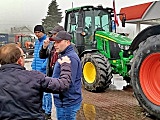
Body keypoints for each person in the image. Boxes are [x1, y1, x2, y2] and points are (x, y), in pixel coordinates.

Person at [0, 43, 71, 120]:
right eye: (23, 56)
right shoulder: (34, 77)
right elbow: (63, 85)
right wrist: (65, 65)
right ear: (20, 60)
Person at [50, 31, 82, 120]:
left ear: (67, 42)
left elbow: (67, 84)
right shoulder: (64, 55)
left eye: (58, 42)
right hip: (64, 102)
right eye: (54, 42)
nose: (55, 45)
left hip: (66, 103)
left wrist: (48, 84)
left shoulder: (70, 58)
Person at [31, 25, 52, 119]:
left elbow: (48, 58)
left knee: (46, 92)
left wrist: (43, 68)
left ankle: (48, 111)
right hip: (36, 70)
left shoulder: (48, 42)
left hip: (43, 71)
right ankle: (42, 109)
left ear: (43, 32)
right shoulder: (36, 43)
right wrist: (33, 65)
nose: (37, 34)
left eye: (38, 32)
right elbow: (36, 56)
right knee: (39, 91)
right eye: (35, 32)